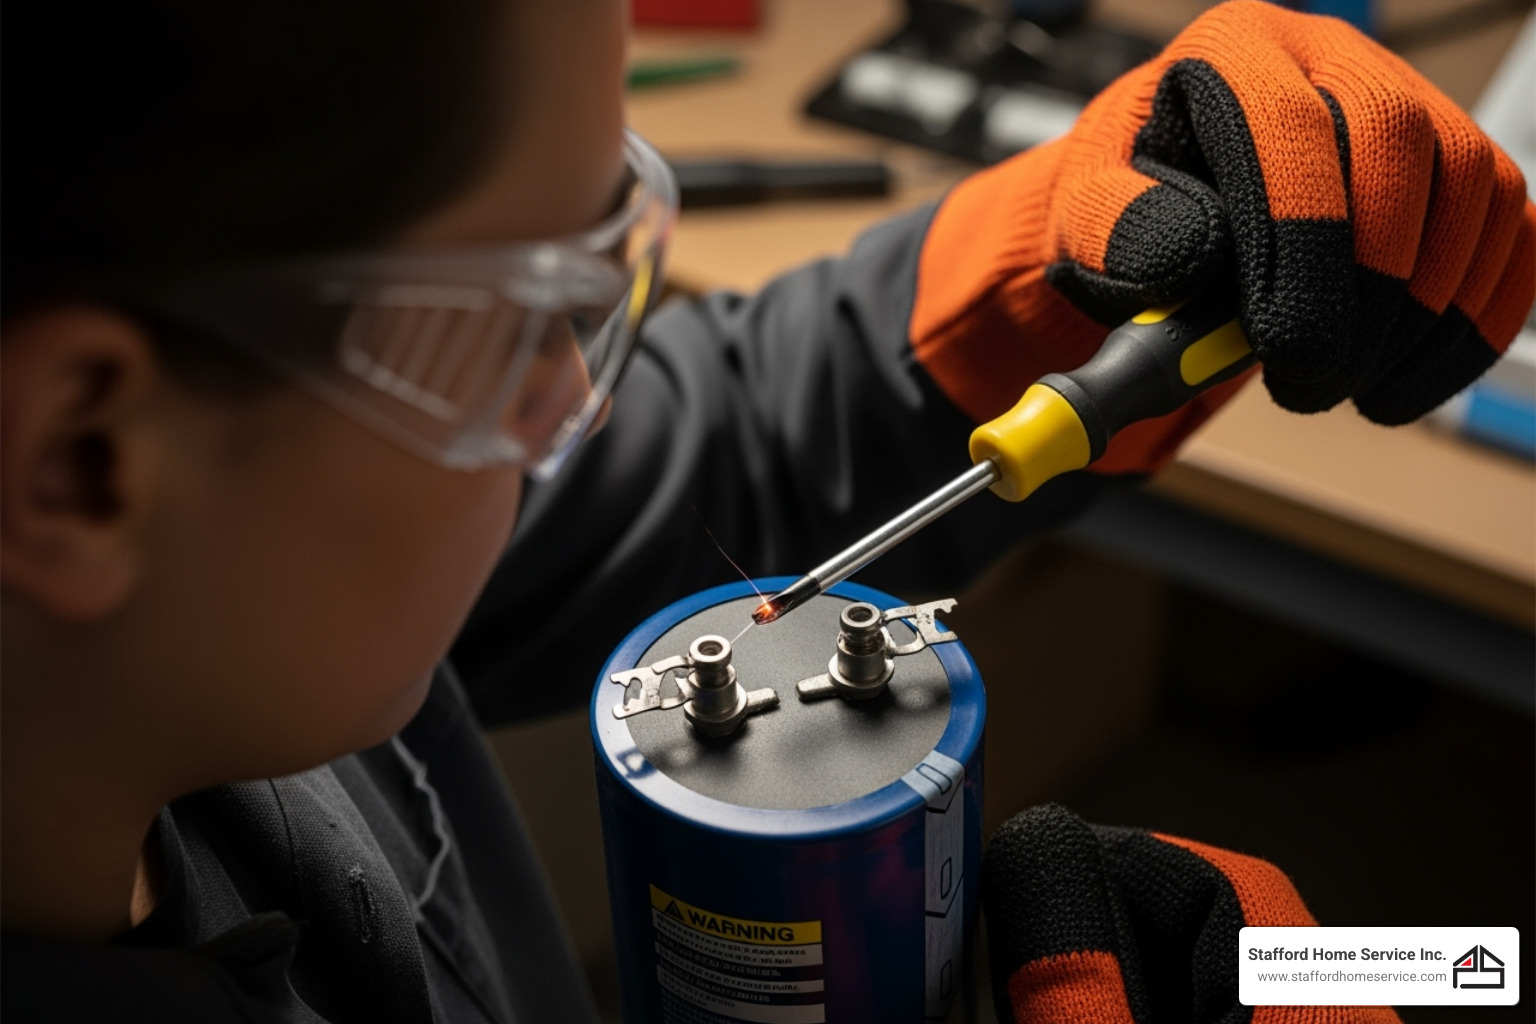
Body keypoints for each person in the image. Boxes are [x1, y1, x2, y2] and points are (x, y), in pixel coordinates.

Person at [2, 0, 1530, 1021]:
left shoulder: (220, 614)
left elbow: (698, 461)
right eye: (537, 301)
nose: (573, 404)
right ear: (80, 458)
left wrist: (1062, 270)